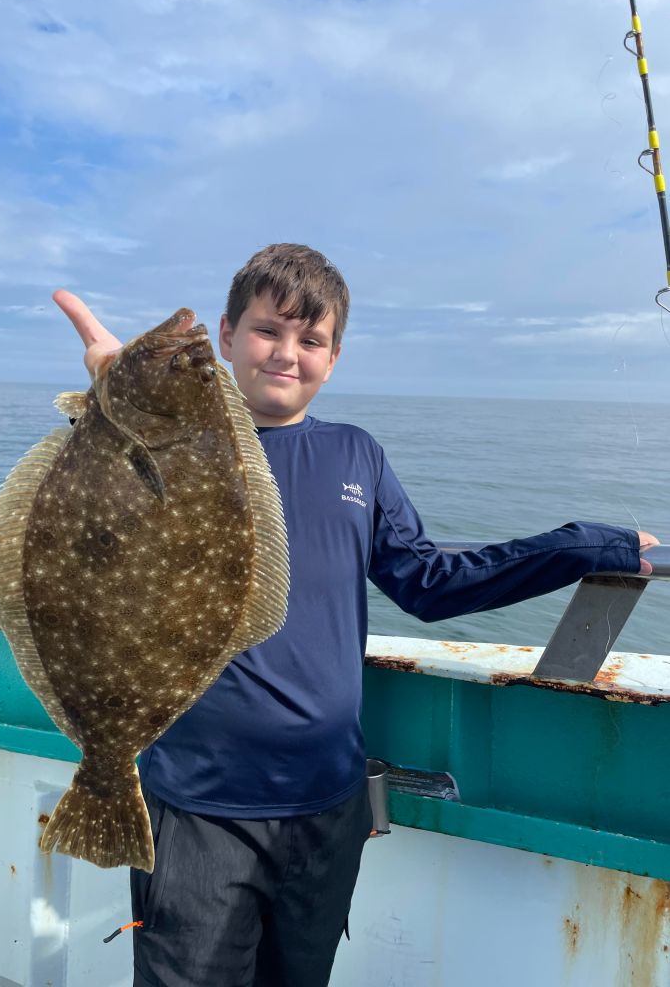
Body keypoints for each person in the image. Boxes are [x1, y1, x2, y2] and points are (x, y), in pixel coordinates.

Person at [54, 244, 659, 987]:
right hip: (199, 805)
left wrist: (578, 547)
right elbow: (84, 545)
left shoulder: (355, 456)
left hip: (326, 808)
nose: (286, 353)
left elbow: (430, 583)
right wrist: (118, 408)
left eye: (310, 340)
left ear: (333, 358)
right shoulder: (167, 444)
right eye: (268, 331)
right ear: (226, 337)